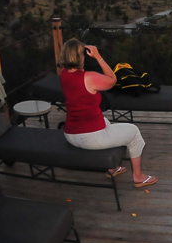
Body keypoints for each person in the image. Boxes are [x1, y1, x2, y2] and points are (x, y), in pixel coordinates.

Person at [58, 38, 158, 188]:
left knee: (106, 122)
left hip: (70, 133)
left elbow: (79, 79)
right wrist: (98, 57)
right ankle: (138, 176)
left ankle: (113, 167)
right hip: (89, 137)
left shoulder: (64, 74)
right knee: (134, 132)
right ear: (80, 57)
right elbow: (112, 80)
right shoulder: (89, 78)